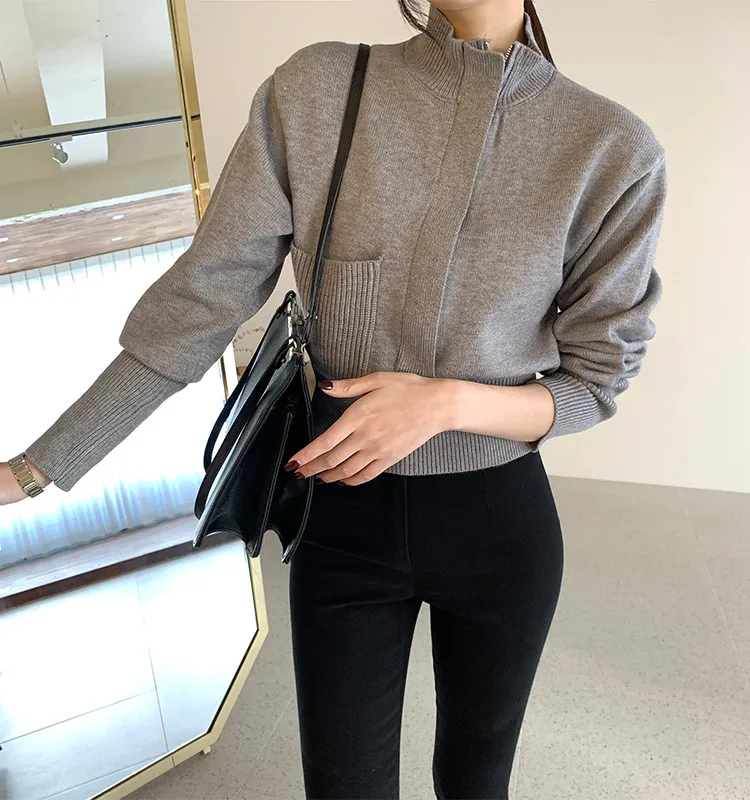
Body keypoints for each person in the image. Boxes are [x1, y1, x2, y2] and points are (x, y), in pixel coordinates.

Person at [1, 0, 667, 797]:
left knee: (476, 782)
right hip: (338, 519)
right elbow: (198, 307)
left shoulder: (610, 147)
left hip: (498, 528)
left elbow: (594, 380)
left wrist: (443, 404)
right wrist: (34, 470)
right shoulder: (317, 89)